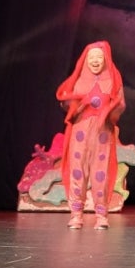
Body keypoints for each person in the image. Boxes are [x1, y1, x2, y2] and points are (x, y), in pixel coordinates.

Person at [56, 40, 125, 230]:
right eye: (91, 57)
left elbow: (120, 105)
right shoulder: (78, 81)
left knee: (100, 174)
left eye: (99, 57)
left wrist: (110, 111)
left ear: (106, 59)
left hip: (102, 134)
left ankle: (101, 216)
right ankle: (76, 215)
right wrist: (76, 103)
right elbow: (67, 104)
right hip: (80, 132)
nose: (95, 60)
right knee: (77, 171)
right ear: (85, 60)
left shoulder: (113, 80)